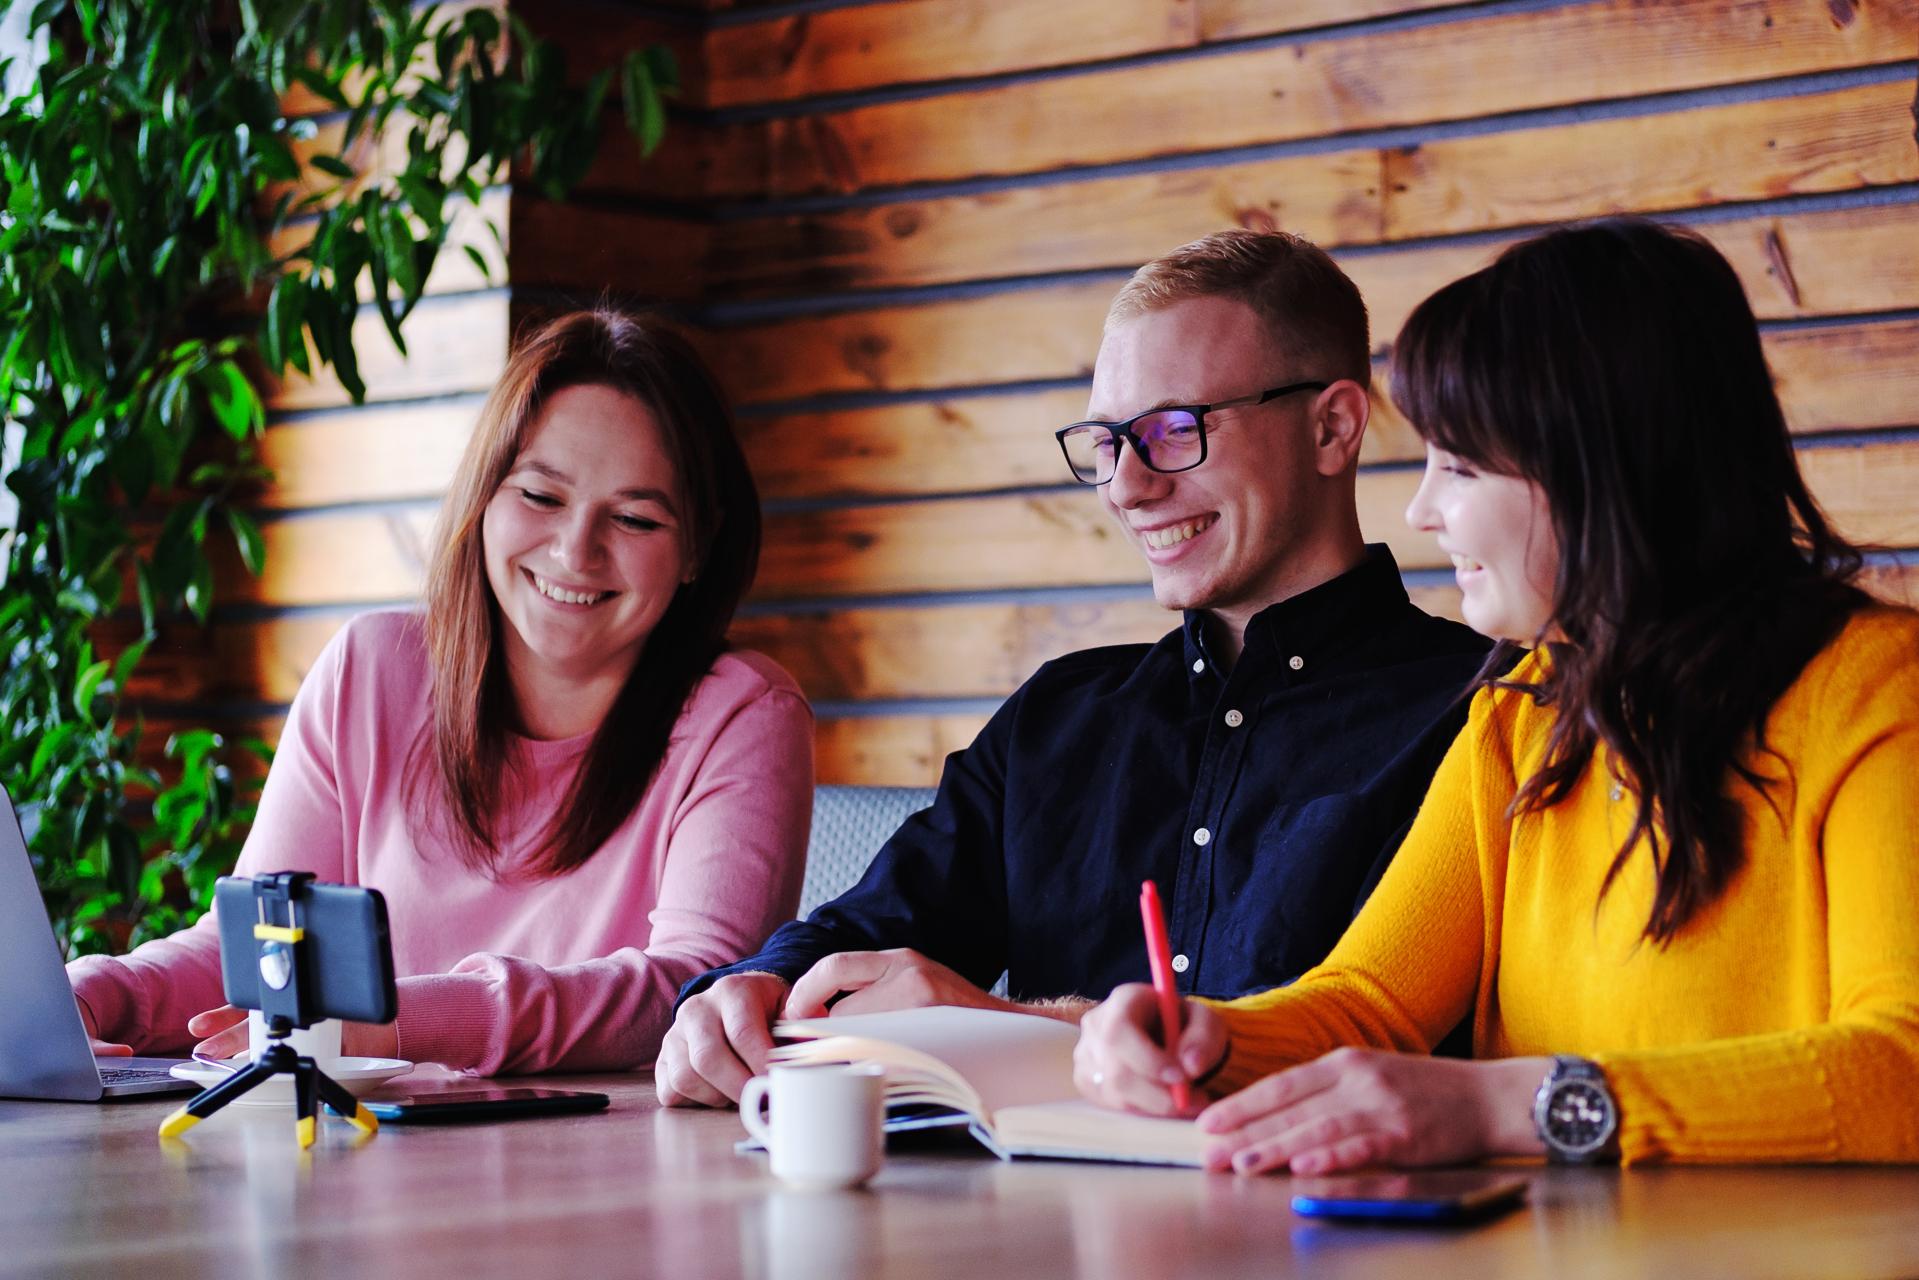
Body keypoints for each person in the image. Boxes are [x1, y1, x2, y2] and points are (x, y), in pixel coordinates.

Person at [1073, 218, 1919, 1169]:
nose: (1420, 509)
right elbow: (1369, 1001)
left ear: (1604, 469)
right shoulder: (1520, 715)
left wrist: (1513, 1105)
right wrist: (1205, 1038)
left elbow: (1902, 1068)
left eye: (1460, 465)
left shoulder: (1879, 691)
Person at [657, 230, 1493, 1108]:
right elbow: (871, 924)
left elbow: (1396, 1045)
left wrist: (998, 1022)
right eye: (1105, 442)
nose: (1127, 487)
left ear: (1331, 427)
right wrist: (747, 992)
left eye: (1175, 430)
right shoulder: (1057, 716)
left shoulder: (1479, 710)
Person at [69, 308, 815, 1075]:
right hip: (356, 1162)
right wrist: (92, 997)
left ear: (697, 547)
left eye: (633, 518)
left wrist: (392, 1025)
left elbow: (691, 990)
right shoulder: (371, 669)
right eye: (540, 496)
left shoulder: (744, 715)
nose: (575, 550)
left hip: (608, 1167)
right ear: (483, 495)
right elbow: (256, 953)